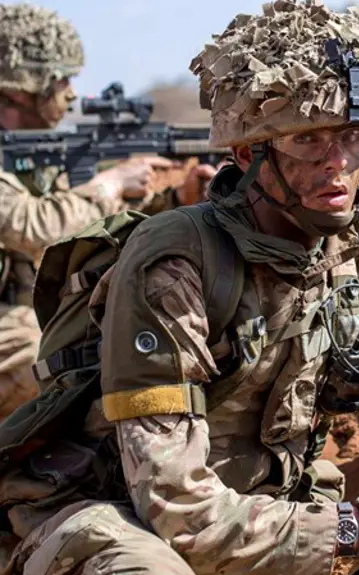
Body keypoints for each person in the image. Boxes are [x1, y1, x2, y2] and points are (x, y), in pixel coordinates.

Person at [0, 1, 359, 574]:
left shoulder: (348, 238)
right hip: (118, 514)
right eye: (308, 141)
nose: (337, 165)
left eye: (354, 137)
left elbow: (355, 347)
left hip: (253, 504)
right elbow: (178, 510)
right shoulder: (175, 263)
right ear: (250, 153)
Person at [0, 3, 216, 419]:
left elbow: (85, 225)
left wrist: (174, 200)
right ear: (22, 87)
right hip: (13, 327)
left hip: (25, 313)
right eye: (61, 79)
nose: (71, 93)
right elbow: (32, 226)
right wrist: (111, 184)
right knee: (66, 361)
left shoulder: (36, 157)